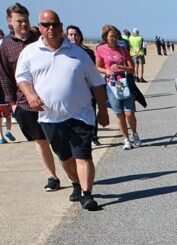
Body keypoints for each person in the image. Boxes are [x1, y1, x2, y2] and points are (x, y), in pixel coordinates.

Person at [15, 9, 108, 211]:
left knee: (83, 155)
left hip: (80, 115)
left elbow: (97, 83)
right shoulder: (30, 52)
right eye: (46, 25)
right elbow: (22, 77)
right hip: (49, 117)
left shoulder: (78, 54)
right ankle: (75, 183)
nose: (51, 29)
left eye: (55, 24)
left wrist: (103, 110)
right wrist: (30, 94)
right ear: (39, 27)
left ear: (61, 26)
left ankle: (87, 194)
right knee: (65, 157)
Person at [0, 3, 61, 188]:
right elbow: (4, 76)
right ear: (9, 22)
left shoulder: (40, 38)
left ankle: (74, 175)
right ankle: (52, 177)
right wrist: (12, 104)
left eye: (26, 20)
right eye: (19, 21)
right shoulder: (6, 47)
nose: (24, 24)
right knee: (41, 141)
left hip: (51, 99)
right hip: (25, 103)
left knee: (59, 139)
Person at [95, 25, 140, 149]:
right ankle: (126, 139)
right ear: (105, 37)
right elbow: (97, 67)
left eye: (116, 36)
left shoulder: (123, 49)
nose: (114, 39)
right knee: (119, 114)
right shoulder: (100, 49)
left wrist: (121, 67)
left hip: (124, 83)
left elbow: (132, 69)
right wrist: (106, 71)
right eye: (111, 36)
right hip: (111, 84)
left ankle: (135, 133)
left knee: (129, 113)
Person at [64, 23, 98, 146]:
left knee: (91, 111)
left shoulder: (88, 52)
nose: (74, 37)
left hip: (87, 88)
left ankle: (93, 136)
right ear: (66, 36)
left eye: (76, 35)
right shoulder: (63, 53)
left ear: (80, 36)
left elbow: (93, 71)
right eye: (71, 35)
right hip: (71, 90)